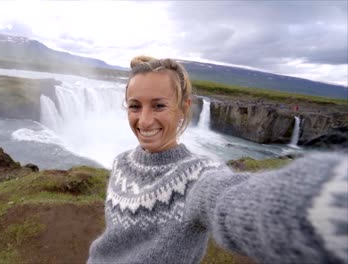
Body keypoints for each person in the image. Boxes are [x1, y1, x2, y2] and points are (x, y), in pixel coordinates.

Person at [87, 56, 347, 264]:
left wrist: (328, 204)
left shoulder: (197, 176)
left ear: (183, 108)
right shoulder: (122, 163)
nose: (144, 120)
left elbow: (231, 200)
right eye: (135, 106)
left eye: (159, 106)